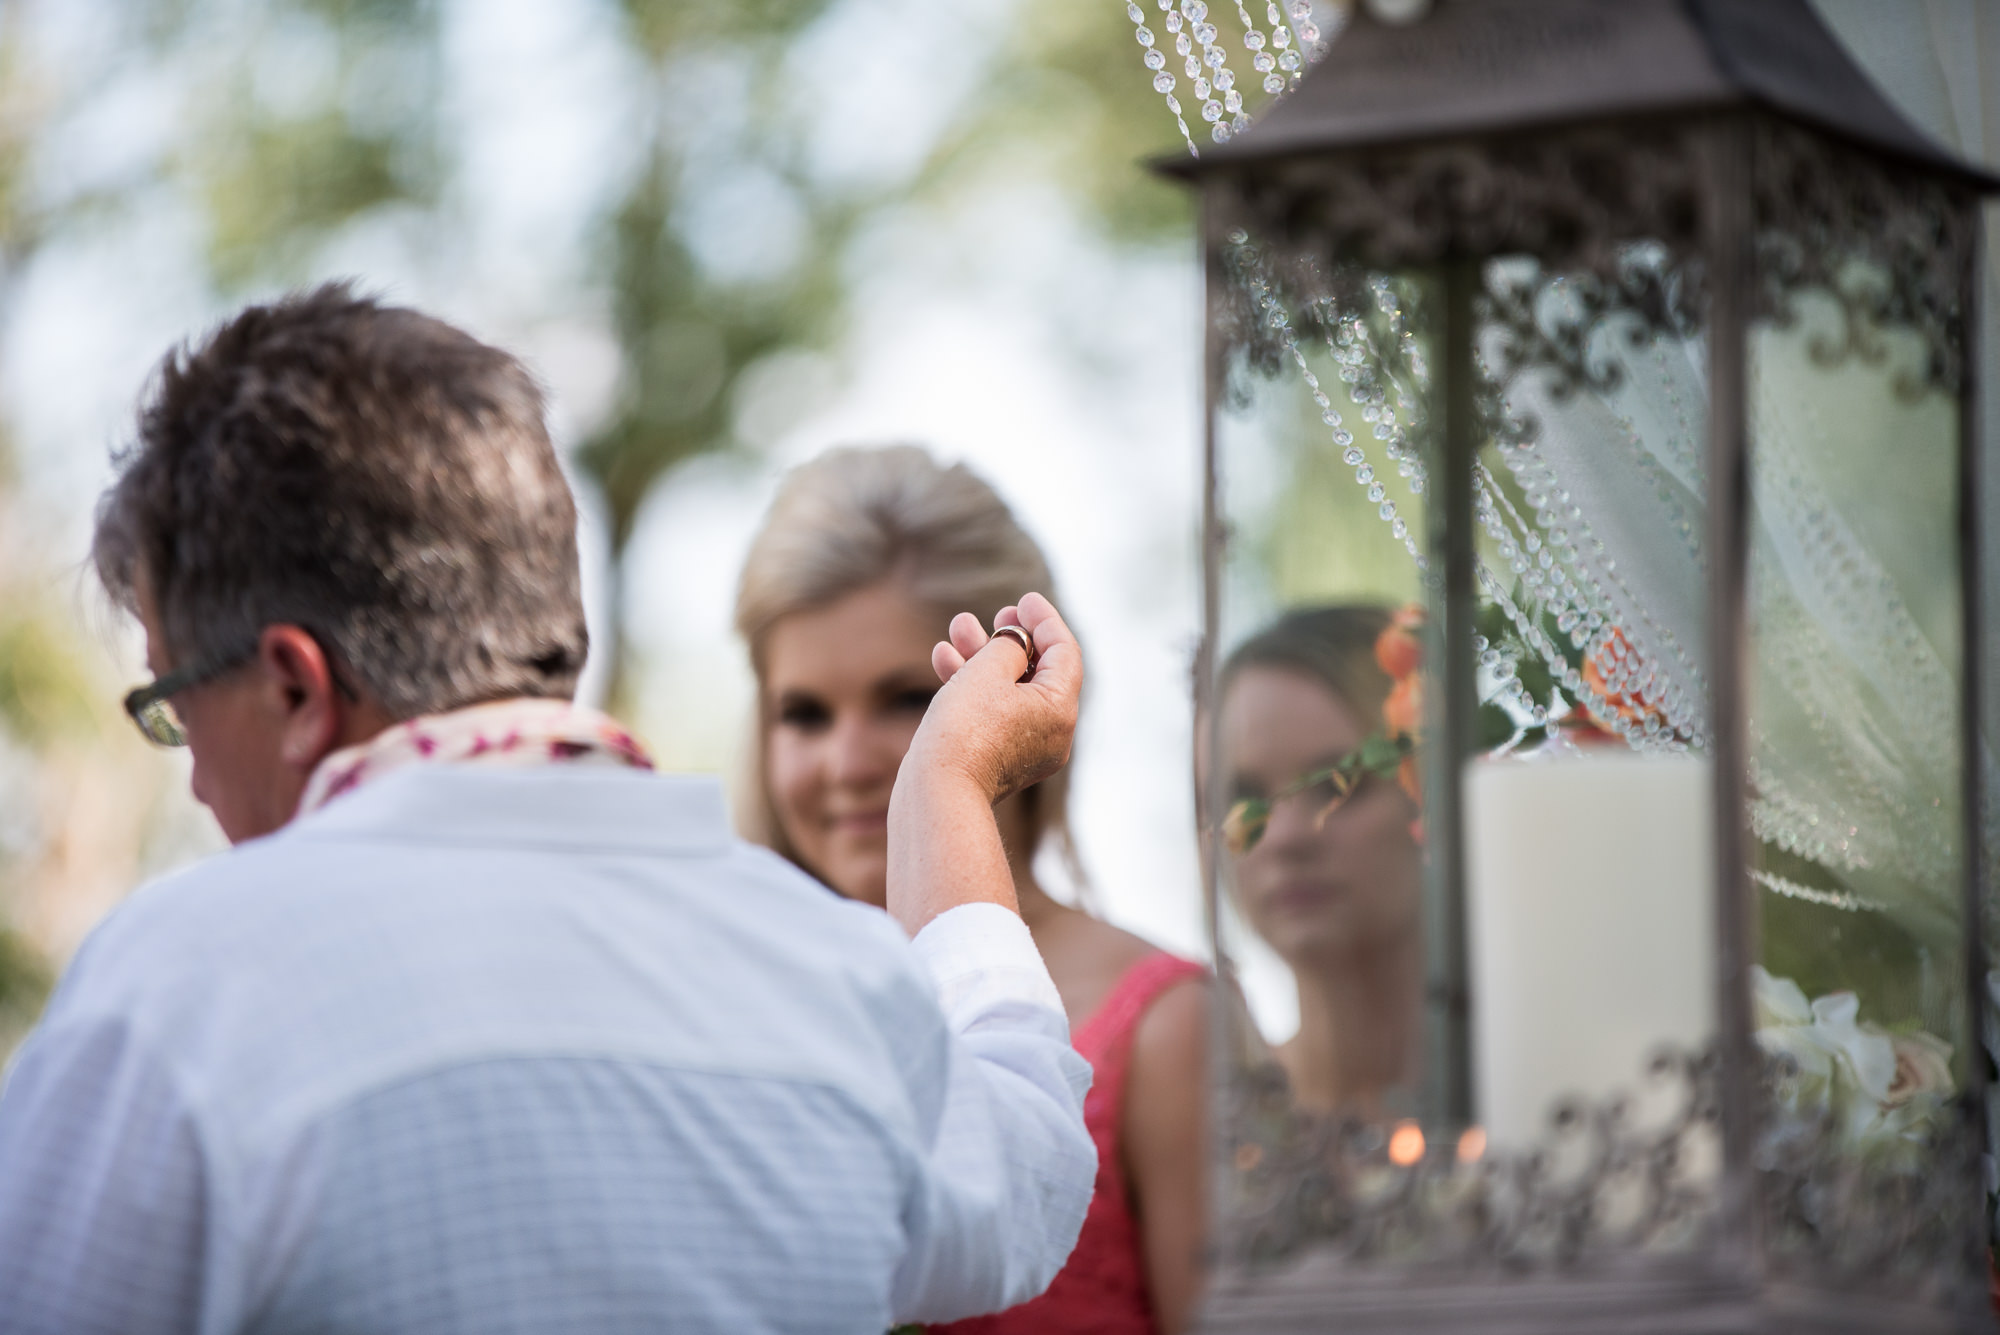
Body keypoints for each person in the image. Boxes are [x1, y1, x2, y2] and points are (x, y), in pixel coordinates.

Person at [0, 285, 1097, 1334]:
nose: (191, 781)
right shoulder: (836, 981)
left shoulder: (175, 997)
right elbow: (1030, 1165)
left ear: (292, 687)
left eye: (176, 709)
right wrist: (946, 781)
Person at [734, 445, 1209, 1335]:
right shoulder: (724, 1002)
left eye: (904, 701)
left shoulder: (1168, 1029)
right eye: (804, 712)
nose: (848, 762)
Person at [1214, 604, 1424, 1118]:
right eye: (1245, 798)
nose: (1285, 837)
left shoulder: (1541, 1078)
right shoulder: (1201, 1131)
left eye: (1337, 786)